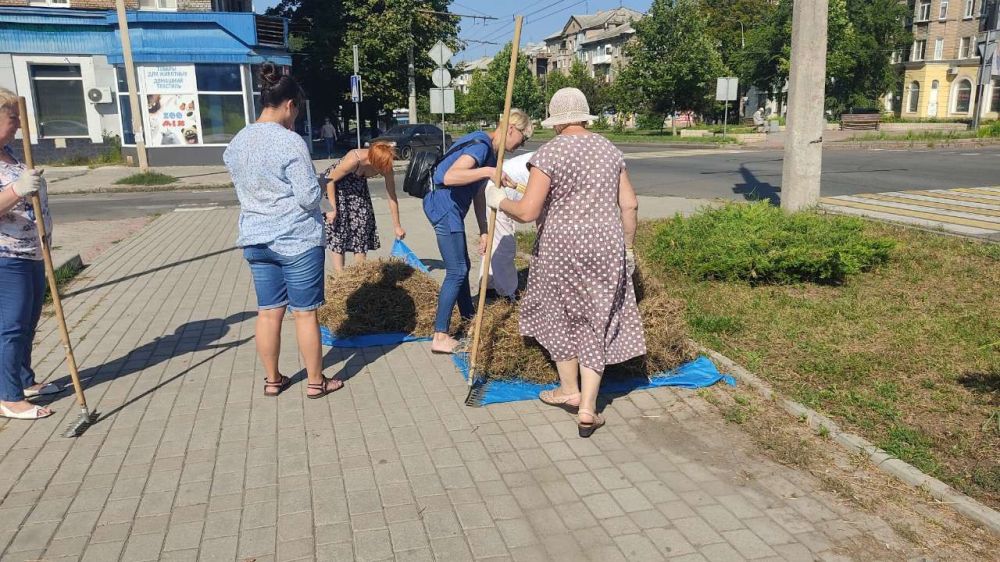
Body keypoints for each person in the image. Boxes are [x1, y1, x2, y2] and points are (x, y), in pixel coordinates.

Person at [486, 88, 646, 438]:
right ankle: (588, 407)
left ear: (556, 122)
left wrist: (500, 200)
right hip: (605, 247)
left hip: (560, 249)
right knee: (596, 319)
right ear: (585, 117)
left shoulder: (550, 152)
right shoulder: (609, 150)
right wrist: (628, 249)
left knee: (558, 314)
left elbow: (528, 211)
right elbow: (630, 204)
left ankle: (568, 389)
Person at [223, 63, 343, 399]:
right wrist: (321, 183)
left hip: (256, 238)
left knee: (268, 312)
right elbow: (307, 198)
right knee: (304, 314)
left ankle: (273, 380)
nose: (296, 117)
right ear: (290, 104)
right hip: (296, 240)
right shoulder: (290, 142)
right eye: (297, 110)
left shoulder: (237, 141)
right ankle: (316, 382)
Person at [424, 109, 532, 354]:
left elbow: (479, 193)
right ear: (511, 129)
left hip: (451, 208)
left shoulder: (491, 154)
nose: (522, 144)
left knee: (462, 267)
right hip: (443, 206)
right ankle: (440, 335)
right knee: (457, 270)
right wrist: (488, 171)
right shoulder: (482, 145)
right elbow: (449, 176)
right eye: (523, 138)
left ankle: (468, 319)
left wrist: (484, 229)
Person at [0, 87, 62, 420]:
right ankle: (8, 396)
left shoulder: (9, 153)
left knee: (28, 323)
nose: (19, 125)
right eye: (13, 118)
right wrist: (17, 188)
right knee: (11, 326)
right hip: (7, 257)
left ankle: (24, 381)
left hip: (33, 251)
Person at [323, 142, 405, 272]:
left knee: (362, 226)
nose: (384, 170)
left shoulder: (386, 164)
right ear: (373, 160)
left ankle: (359, 272)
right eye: (380, 167)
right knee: (338, 229)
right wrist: (332, 209)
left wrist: (397, 226)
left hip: (357, 189)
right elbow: (329, 179)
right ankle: (339, 275)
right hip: (334, 188)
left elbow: (392, 195)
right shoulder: (354, 159)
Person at [477, 151, 533, 299]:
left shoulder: (546, 156)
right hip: (500, 193)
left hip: (499, 188)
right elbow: (530, 212)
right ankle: (506, 292)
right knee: (505, 245)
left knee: (495, 242)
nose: (522, 144)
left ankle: (487, 285)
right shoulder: (549, 163)